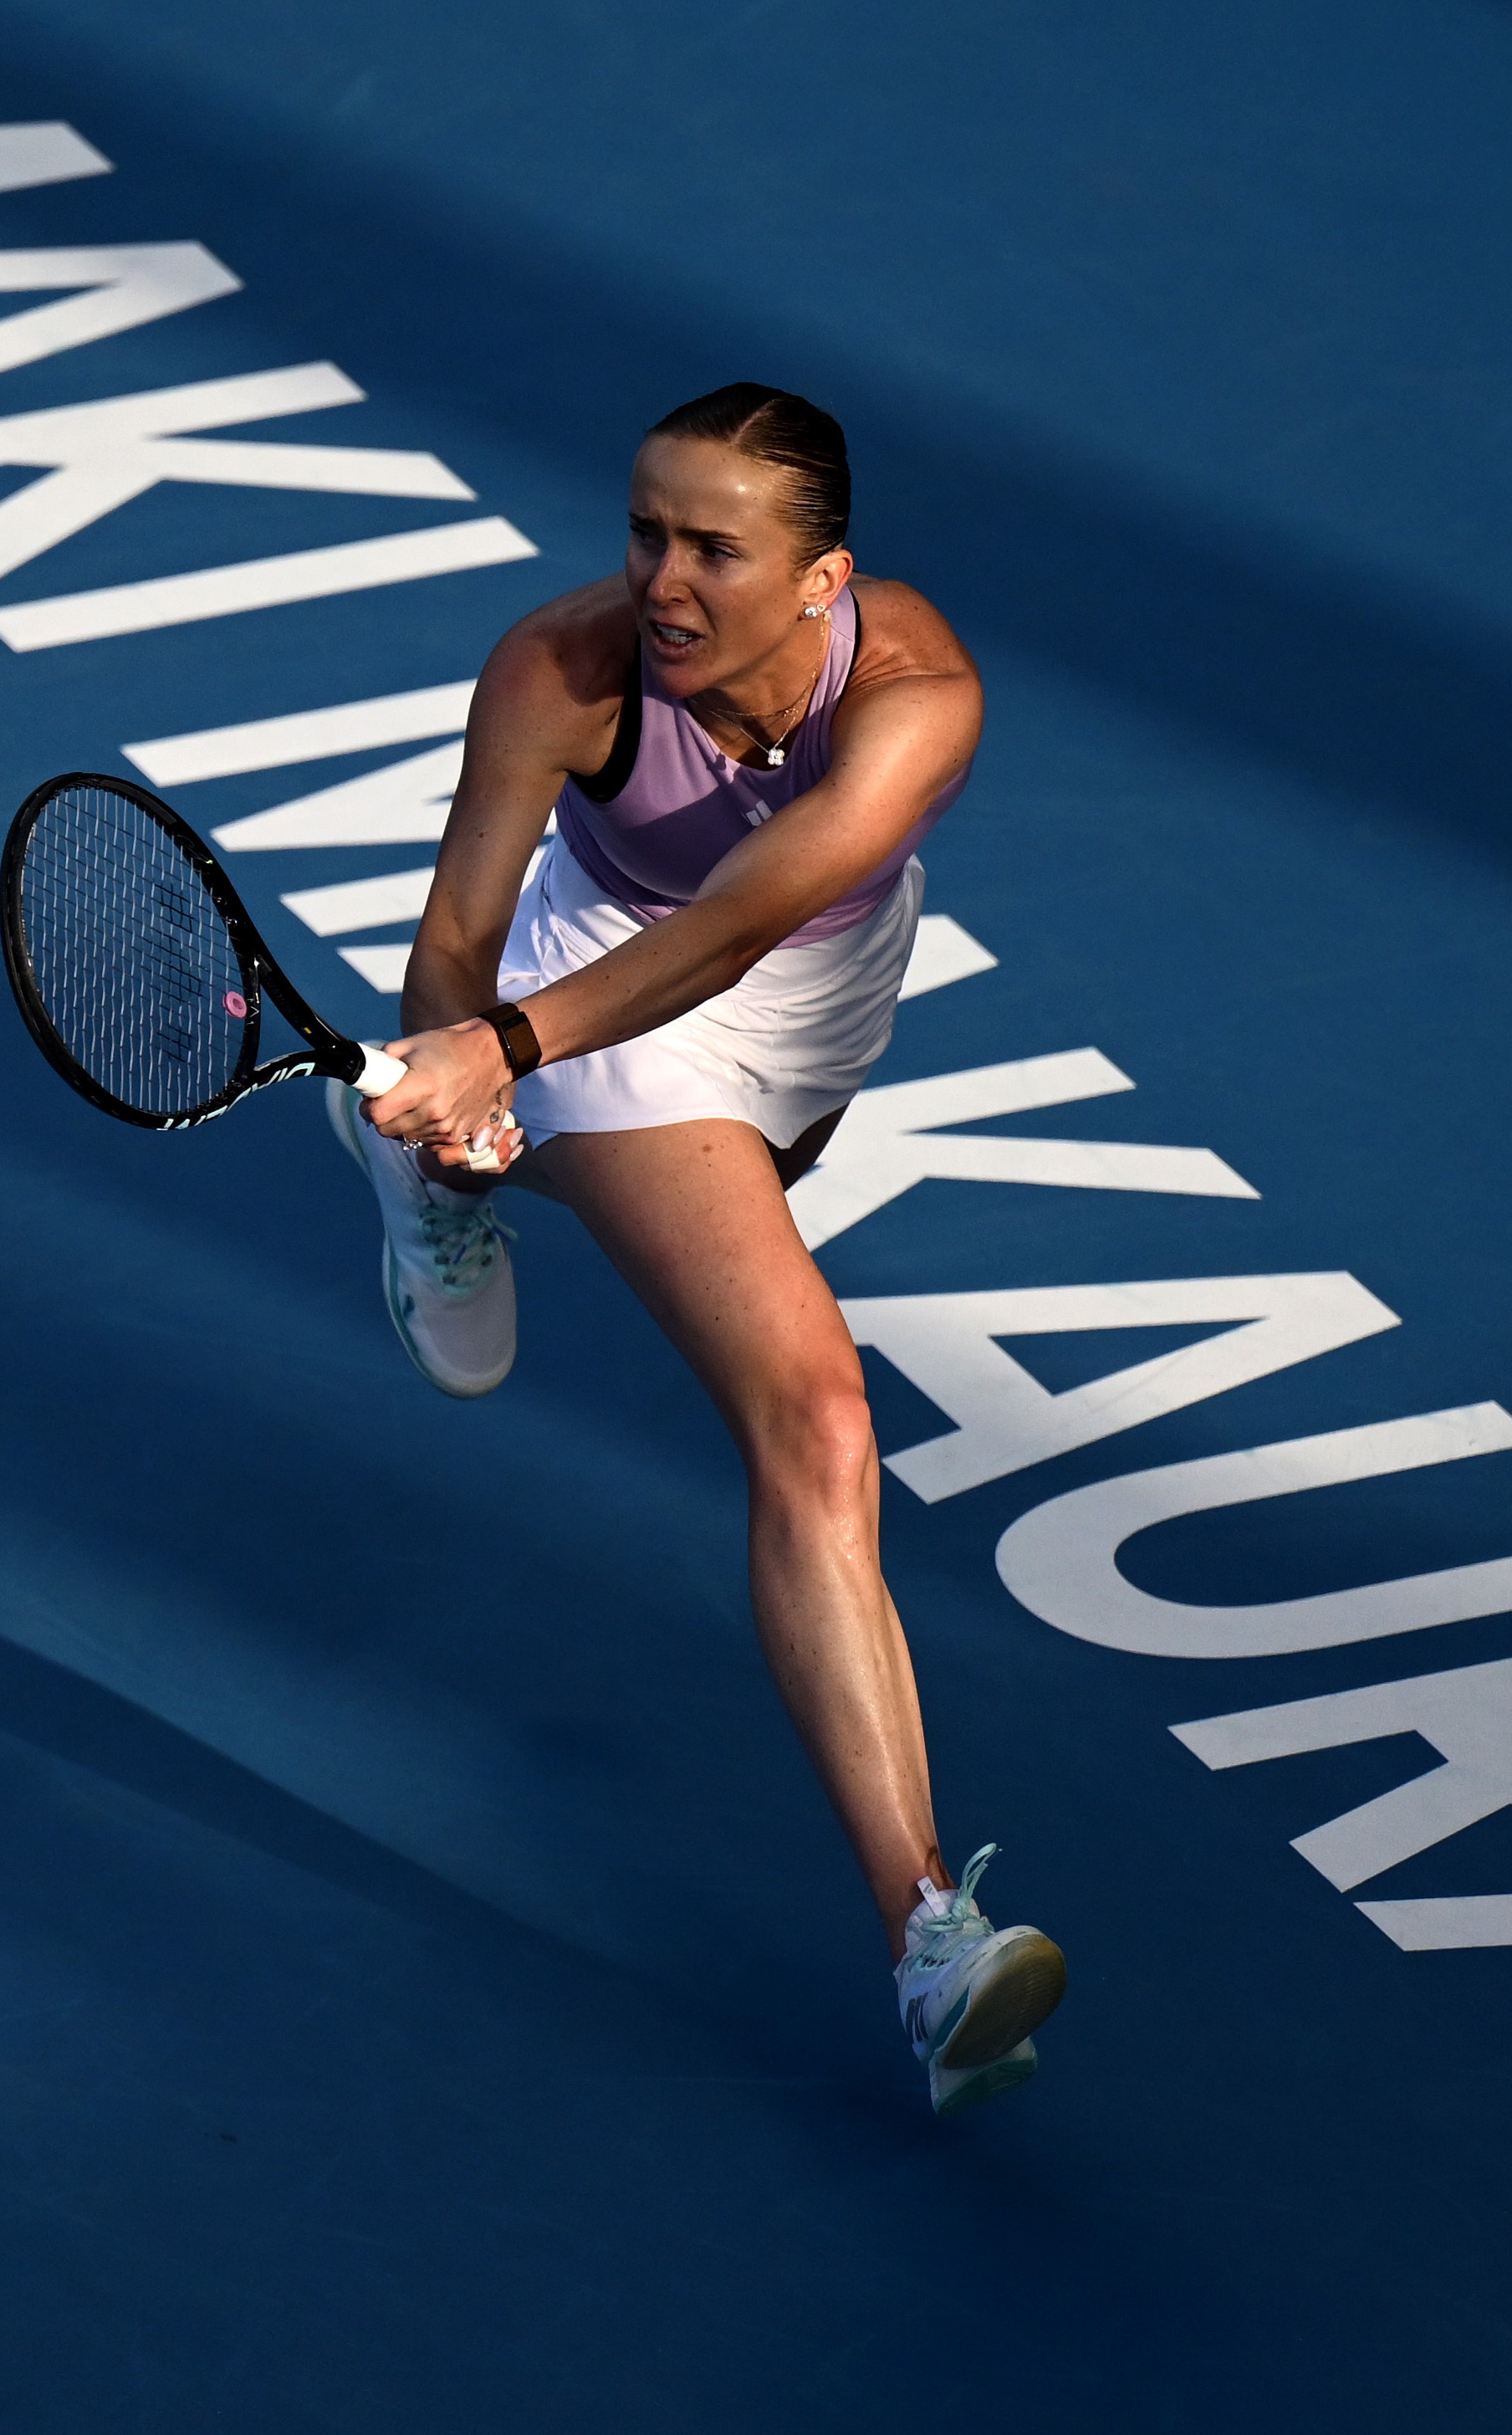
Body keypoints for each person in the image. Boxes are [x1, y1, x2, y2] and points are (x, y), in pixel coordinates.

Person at [336, 382, 1066, 2113]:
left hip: (804, 999)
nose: (660, 579)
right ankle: (925, 1937)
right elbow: (456, 936)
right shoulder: (559, 667)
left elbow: (746, 923)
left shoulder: (916, 704)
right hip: (601, 998)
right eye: (645, 530)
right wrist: (488, 1042)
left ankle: (445, 1175)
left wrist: (482, 1077)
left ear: (819, 578)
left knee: (658, 1185)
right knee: (810, 1413)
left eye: (712, 548)